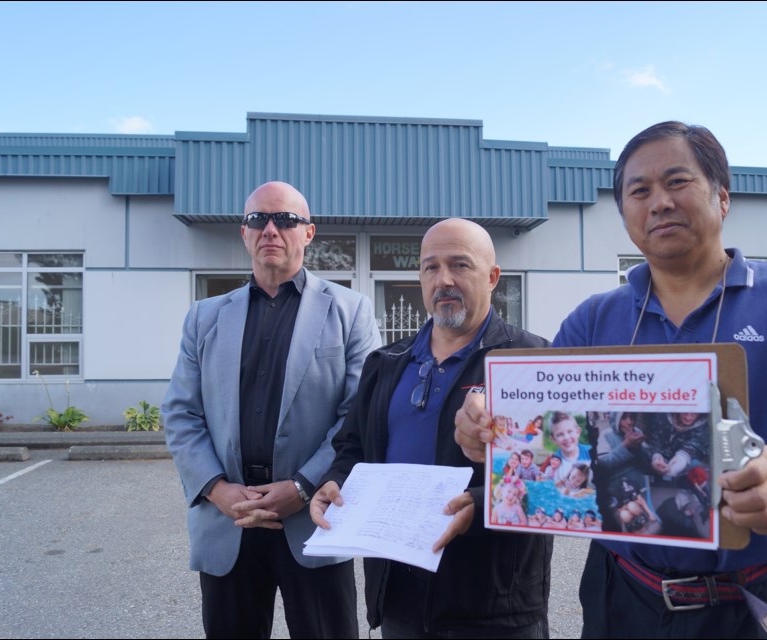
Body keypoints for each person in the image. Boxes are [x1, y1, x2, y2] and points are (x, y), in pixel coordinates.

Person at [454, 121, 767, 638]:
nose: (658, 203)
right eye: (639, 191)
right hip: (621, 593)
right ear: (626, 213)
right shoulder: (595, 319)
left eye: (677, 182)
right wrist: (481, 416)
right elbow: (536, 408)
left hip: (755, 599)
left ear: (722, 197)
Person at [310, 218, 553, 638]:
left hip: (494, 604)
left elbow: (558, 477)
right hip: (400, 595)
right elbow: (352, 447)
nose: (443, 279)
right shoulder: (386, 363)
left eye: (460, 265)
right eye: (430, 267)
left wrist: (479, 503)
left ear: (493, 277)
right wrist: (334, 481)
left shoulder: (532, 360)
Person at [162, 181, 381, 639]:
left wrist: (302, 486)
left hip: (313, 520)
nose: (270, 230)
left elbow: (357, 415)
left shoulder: (350, 311)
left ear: (309, 233)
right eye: (257, 219)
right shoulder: (203, 317)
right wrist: (216, 489)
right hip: (229, 519)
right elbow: (182, 414)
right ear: (243, 233)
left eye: (285, 219)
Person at [548, 411, 592, 487]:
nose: (566, 437)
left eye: (570, 431)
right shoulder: (553, 461)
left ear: (578, 432)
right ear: (553, 439)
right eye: (560, 434)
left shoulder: (591, 452)